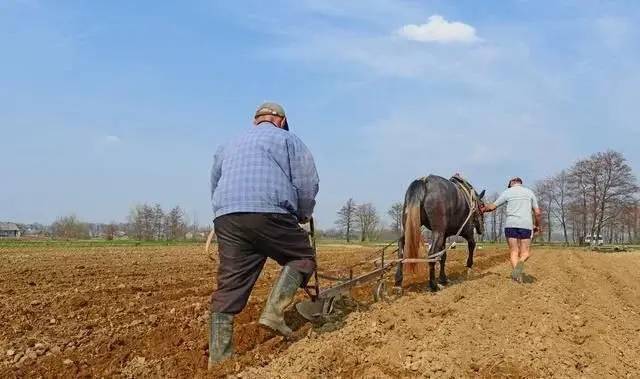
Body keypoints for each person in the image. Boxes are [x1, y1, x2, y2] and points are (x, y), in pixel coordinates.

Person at [208, 102, 319, 368]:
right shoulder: (288, 140)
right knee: (303, 257)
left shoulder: (229, 143)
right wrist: (303, 214)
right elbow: (306, 182)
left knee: (229, 286)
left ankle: (219, 359)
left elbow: (215, 181)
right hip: (270, 212)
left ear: (255, 120)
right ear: (281, 121)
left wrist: (224, 211)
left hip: (228, 216)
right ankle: (273, 311)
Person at [481, 177, 541, 283]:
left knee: (514, 252)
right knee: (525, 253)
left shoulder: (507, 192)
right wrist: (537, 225)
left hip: (510, 225)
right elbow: (537, 213)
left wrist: (483, 209)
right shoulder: (529, 192)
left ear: (512, 183)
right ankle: (519, 267)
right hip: (525, 225)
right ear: (520, 183)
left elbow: (493, 206)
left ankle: (517, 276)